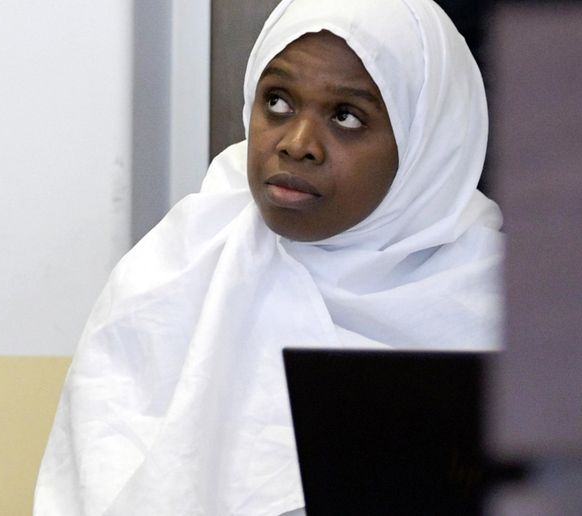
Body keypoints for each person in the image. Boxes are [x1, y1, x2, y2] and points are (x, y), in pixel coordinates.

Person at [34, 0, 503, 514]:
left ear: (426, 144)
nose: (298, 144)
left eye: (346, 116)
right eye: (277, 102)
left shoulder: (503, 312)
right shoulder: (172, 272)